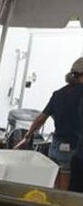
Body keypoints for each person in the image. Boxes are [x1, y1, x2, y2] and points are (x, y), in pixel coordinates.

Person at [15, 57, 83, 190]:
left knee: (54, 187)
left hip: (55, 147)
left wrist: (27, 136)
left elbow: (41, 118)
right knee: (65, 194)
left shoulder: (58, 94)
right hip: (74, 149)